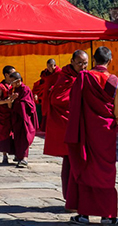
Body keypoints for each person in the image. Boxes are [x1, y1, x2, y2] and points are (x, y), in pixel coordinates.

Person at [65, 46, 118, 225]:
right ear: (110, 61)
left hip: (86, 132)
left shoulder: (83, 77)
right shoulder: (115, 81)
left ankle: (84, 215)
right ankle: (107, 216)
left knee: (86, 169)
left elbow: (74, 106)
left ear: (93, 59)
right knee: (106, 172)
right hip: (105, 134)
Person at [44, 50, 88, 201]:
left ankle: (76, 199)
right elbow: (58, 99)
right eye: (80, 63)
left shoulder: (82, 76)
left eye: (85, 63)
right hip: (69, 124)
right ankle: (71, 198)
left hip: (80, 123)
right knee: (70, 161)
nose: (83, 67)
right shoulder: (66, 77)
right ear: (72, 61)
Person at [7, 71, 38, 168]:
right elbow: (10, 105)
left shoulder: (26, 89)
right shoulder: (13, 90)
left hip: (25, 117)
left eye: (13, 82)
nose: (11, 84)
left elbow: (28, 104)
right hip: (17, 117)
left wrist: (18, 101)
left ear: (19, 81)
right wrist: (11, 99)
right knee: (17, 137)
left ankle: (25, 158)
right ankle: (19, 156)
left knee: (24, 137)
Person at [0, 65, 17, 163]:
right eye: (12, 74)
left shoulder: (15, 84)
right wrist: (7, 102)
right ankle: (5, 155)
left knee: (16, 134)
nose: (14, 76)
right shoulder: (1, 86)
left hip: (14, 113)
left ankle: (17, 154)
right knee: (4, 134)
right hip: (4, 114)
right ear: (6, 75)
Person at [33, 58, 61, 130]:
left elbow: (61, 83)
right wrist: (35, 93)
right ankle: (46, 127)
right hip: (46, 95)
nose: (49, 68)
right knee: (45, 110)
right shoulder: (45, 74)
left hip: (55, 95)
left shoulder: (59, 73)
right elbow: (40, 83)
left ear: (55, 65)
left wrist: (53, 87)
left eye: (51, 66)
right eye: (48, 66)